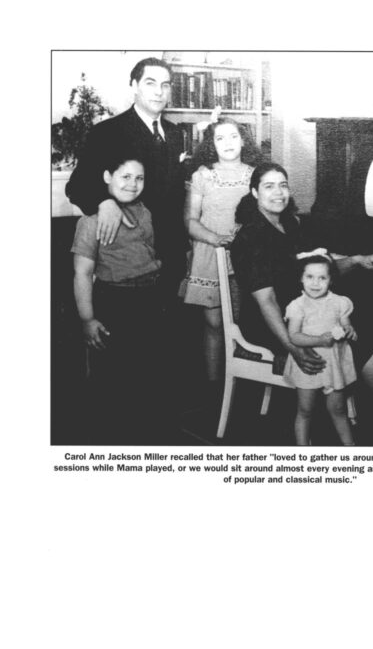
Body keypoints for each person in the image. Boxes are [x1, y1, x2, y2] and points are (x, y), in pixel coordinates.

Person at [230, 162, 373, 442]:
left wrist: (356, 260)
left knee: (367, 314)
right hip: (271, 324)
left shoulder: (290, 224)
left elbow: (318, 269)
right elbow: (266, 301)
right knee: (362, 329)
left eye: (283, 185)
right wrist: (293, 346)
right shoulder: (250, 236)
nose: (278, 192)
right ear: (254, 192)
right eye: (269, 186)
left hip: (307, 309)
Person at [66, 57, 187, 305]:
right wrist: (104, 202)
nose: (159, 91)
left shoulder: (176, 134)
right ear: (134, 85)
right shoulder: (108, 132)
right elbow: (77, 186)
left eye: (165, 85)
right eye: (150, 83)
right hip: (128, 262)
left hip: (170, 253)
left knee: (166, 333)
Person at [71, 154, 164, 443]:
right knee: (112, 377)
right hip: (114, 301)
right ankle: (108, 440)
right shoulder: (92, 219)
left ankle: (141, 437)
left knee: (145, 372)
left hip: (148, 298)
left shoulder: (144, 211)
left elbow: (149, 251)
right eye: (125, 176)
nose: (133, 184)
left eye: (140, 178)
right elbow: (82, 274)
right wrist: (87, 319)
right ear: (107, 177)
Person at [179, 115, 262, 384]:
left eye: (234, 136)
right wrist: (215, 238)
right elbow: (190, 221)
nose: (228, 143)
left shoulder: (255, 175)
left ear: (243, 141)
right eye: (220, 138)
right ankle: (216, 388)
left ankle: (242, 384)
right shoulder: (202, 175)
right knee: (215, 325)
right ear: (211, 144)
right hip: (211, 255)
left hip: (246, 258)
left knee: (243, 324)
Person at [284, 254, 358, 445]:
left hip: (334, 363)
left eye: (322, 278)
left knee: (338, 409)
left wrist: (349, 329)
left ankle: (350, 448)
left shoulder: (340, 302)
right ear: (301, 278)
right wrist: (318, 339)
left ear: (331, 280)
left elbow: (345, 323)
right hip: (310, 363)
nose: (315, 283)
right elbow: (294, 336)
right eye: (310, 277)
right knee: (305, 410)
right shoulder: (297, 306)